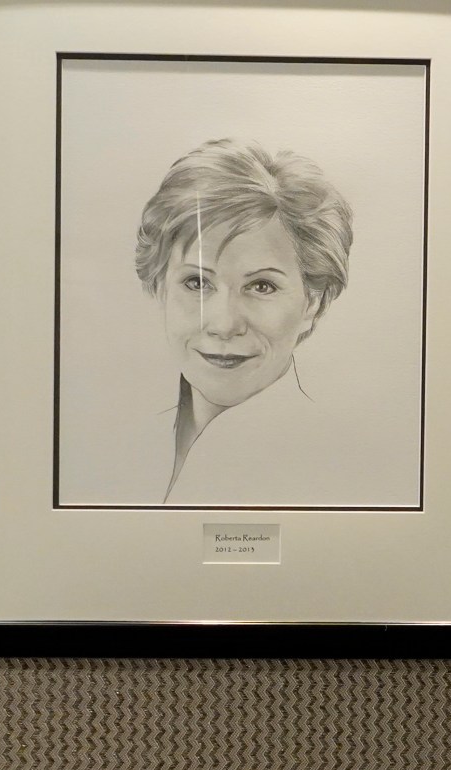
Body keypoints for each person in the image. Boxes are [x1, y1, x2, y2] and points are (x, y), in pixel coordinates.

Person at [130, 138, 354, 505]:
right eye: (197, 282)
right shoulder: (121, 446)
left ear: (313, 302)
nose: (223, 323)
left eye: (261, 286)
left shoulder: (337, 463)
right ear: (158, 287)